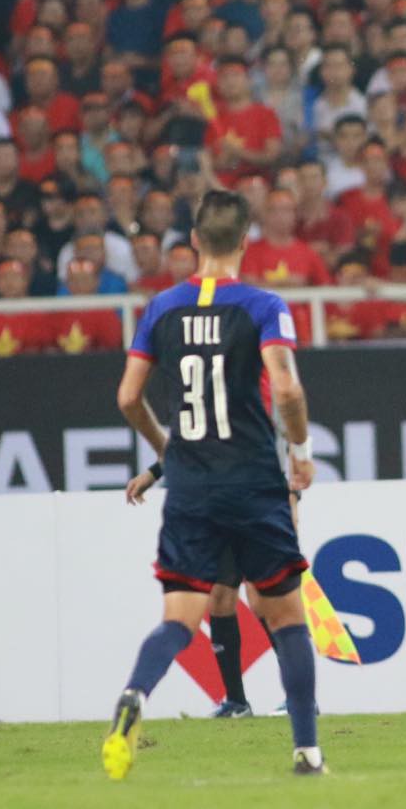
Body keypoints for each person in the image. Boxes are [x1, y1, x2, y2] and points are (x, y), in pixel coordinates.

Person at [104, 190, 324, 778]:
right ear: (246, 241)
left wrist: (165, 450)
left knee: (178, 619)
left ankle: (134, 696)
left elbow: (128, 396)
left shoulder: (161, 307)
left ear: (195, 241)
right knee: (286, 619)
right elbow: (289, 389)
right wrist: (300, 453)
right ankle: (306, 751)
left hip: (192, 489)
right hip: (253, 481)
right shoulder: (262, 305)